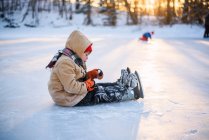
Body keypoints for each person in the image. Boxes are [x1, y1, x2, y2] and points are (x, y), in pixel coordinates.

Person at [46, 30, 144, 107]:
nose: (87, 57)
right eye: (86, 54)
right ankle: (131, 93)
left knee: (98, 86)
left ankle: (120, 85)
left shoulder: (74, 59)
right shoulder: (65, 63)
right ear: (78, 50)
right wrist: (87, 86)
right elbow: (70, 87)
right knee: (99, 92)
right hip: (67, 97)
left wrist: (91, 75)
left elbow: (77, 77)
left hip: (73, 92)